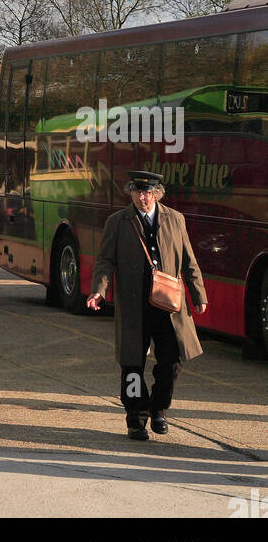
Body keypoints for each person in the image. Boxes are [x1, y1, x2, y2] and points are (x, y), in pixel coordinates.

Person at [88, 169, 207, 441]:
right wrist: (99, 291)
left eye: (148, 192)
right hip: (133, 306)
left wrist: (198, 295)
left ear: (157, 193)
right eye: (138, 192)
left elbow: (189, 261)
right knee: (132, 365)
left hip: (168, 306)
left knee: (172, 362)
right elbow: (106, 260)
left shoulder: (175, 220)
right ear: (131, 193)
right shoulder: (118, 222)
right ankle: (135, 419)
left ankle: (159, 409)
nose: (143, 197)